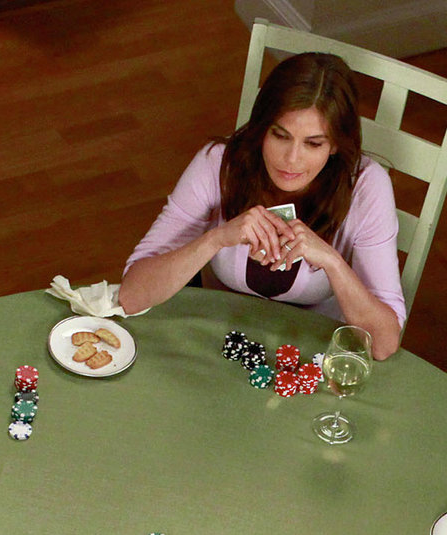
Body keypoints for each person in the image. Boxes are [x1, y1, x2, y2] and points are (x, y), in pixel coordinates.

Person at [120, 51, 406, 360]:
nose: (291, 159)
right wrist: (215, 239)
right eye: (280, 135)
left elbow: (383, 344)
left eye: (313, 143)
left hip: (310, 353)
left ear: (336, 143)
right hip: (216, 340)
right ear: (262, 128)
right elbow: (132, 296)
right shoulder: (217, 163)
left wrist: (332, 262)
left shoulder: (366, 186)